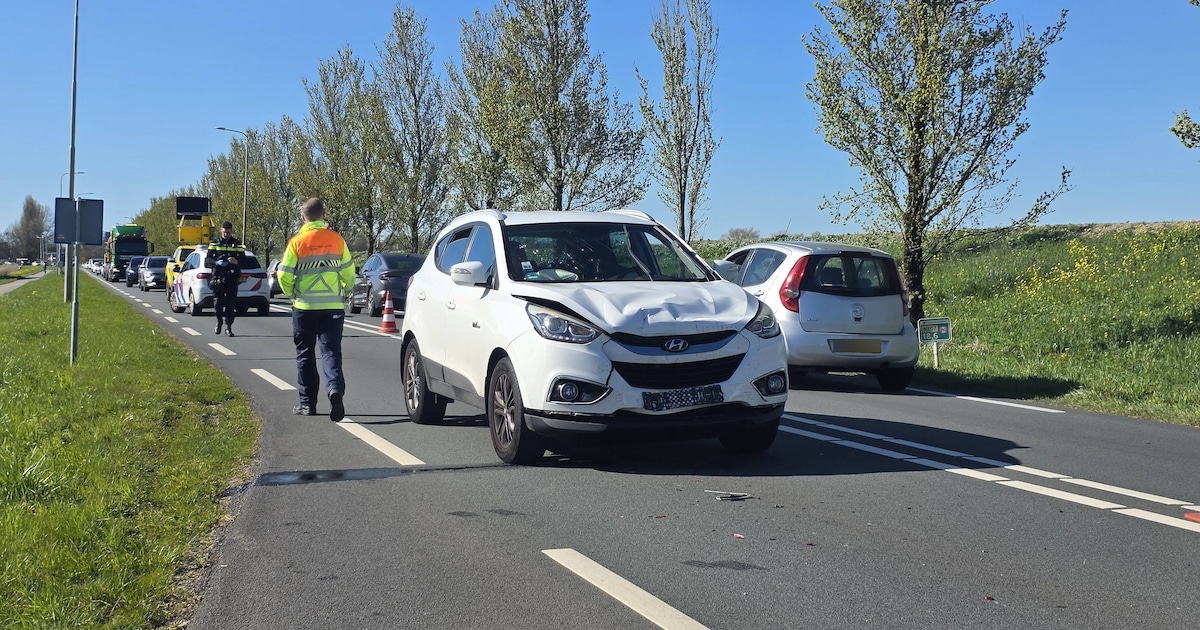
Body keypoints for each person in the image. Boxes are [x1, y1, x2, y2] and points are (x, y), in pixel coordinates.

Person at [277, 198, 356, 421]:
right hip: (332, 306)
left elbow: (283, 275)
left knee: (305, 354)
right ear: (323, 215)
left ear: (304, 217)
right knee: (331, 352)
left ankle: (307, 404)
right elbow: (349, 274)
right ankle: (334, 390)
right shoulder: (337, 240)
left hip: (304, 307)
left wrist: (293, 294)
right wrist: (344, 291)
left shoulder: (297, 242)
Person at [211, 255, 241, 337]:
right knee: (218, 305)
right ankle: (219, 322)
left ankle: (228, 327)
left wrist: (236, 263)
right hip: (219, 286)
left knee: (230, 307)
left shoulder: (233, 264)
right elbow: (208, 261)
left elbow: (238, 274)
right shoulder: (216, 266)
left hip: (231, 285)